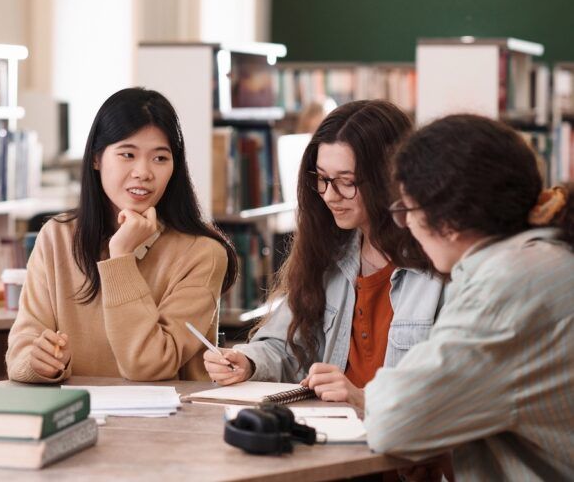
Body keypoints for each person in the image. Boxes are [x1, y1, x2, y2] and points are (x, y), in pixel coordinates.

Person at [365, 114, 574, 480]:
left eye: (406, 210)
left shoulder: (507, 285)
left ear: (446, 219)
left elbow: (392, 419)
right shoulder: (546, 260)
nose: (407, 225)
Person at [204, 100, 445, 411]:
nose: (330, 195)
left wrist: (363, 399)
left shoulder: (439, 266)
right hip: (332, 437)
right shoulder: (329, 252)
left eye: (346, 182)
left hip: (402, 447)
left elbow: (450, 394)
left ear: (389, 178)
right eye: (321, 178)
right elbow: (286, 346)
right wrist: (247, 361)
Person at [5, 88, 237, 383]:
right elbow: (21, 352)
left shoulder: (202, 253)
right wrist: (38, 362)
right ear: (96, 159)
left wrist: (121, 258)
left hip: (171, 423)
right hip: (76, 412)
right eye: (128, 154)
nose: (143, 172)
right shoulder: (57, 237)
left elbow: (148, 365)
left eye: (160, 158)